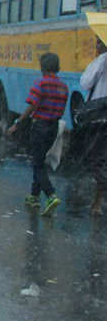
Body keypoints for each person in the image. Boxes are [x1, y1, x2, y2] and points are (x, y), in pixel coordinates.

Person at [6, 52, 69, 217]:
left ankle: (51, 195)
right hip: (53, 128)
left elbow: (32, 105)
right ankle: (34, 196)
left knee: (36, 163)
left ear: (43, 67)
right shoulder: (64, 87)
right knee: (40, 160)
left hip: (39, 127)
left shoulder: (41, 83)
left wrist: (17, 124)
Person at [80, 37, 107, 215]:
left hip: (101, 118)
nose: (97, 45)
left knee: (98, 159)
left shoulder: (102, 60)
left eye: (99, 42)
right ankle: (97, 203)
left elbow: (85, 83)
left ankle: (98, 202)